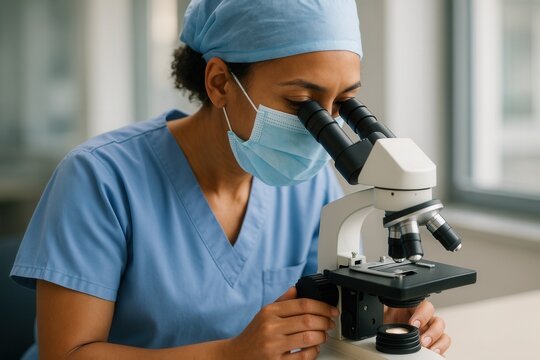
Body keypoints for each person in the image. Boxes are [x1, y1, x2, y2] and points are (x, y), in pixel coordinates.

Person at [10, 0, 450, 358]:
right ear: (220, 82)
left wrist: (380, 321)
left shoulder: (308, 180)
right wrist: (228, 356)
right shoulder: (99, 178)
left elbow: (316, 318)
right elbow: (67, 354)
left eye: (344, 102)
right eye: (302, 102)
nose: (326, 127)